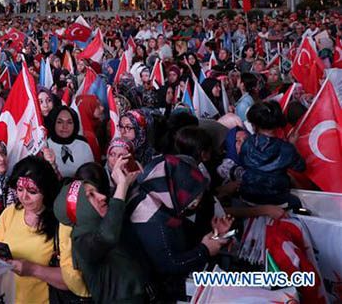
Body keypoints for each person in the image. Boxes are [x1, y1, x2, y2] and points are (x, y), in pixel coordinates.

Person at [127, 154, 231, 301]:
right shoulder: (150, 219)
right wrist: (205, 250)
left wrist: (214, 236)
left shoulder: (159, 194)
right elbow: (169, 263)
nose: (197, 200)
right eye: (194, 197)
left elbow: (182, 235)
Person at [55, 156, 146, 304]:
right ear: (78, 208)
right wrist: (122, 187)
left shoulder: (103, 221)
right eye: (90, 195)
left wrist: (126, 182)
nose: (102, 197)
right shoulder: (81, 241)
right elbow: (107, 236)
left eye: (96, 191)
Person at [0, 156, 64, 304]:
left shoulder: (60, 222)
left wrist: (32, 269)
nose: (24, 197)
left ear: (47, 191)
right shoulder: (10, 212)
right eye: (19, 189)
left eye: (32, 191)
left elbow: (72, 280)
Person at [239, 101, 305, 208]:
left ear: (254, 125)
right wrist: (293, 145)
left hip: (247, 196)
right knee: (303, 207)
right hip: (278, 200)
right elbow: (301, 167)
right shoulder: (286, 148)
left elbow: (244, 162)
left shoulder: (247, 143)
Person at [44, 105, 95, 177]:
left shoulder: (83, 145)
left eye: (69, 122)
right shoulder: (45, 146)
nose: (65, 126)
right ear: (53, 123)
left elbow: (92, 173)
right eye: (59, 122)